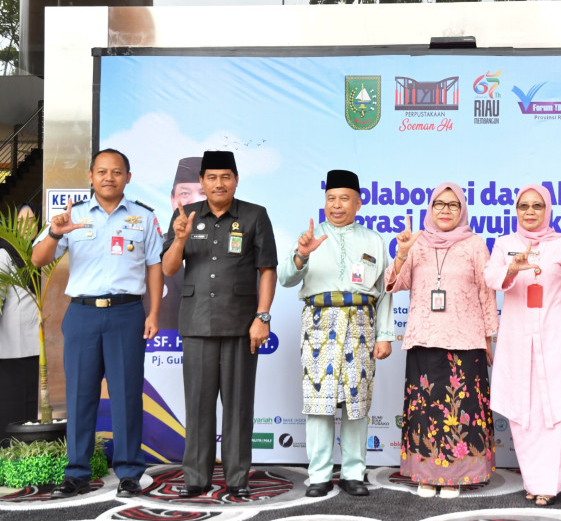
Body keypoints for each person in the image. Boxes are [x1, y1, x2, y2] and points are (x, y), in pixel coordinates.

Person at [31, 149, 163, 498]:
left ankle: (130, 472)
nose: (109, 177)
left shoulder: (144, 218)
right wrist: (55, 234)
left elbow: (154, 267)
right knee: (80, 395)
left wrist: (153, 314)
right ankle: (76, 473)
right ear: (90, 176)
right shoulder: (70, 216)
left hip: (126, 313)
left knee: (126, 395)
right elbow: (37, 259)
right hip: (83, 314)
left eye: (116, 172)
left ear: (128, 177)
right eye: (101, 171)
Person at [161, 150, 277, 498]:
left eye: (226, 176)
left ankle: (238, 479)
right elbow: (168, 269)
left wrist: (262, 316)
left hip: (243, 326)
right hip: (196, 324)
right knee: (197, 405)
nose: (218, 183)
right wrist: (180, 238)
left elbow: (267, 270)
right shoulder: (185, 217)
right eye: (211, 177)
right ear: (202, 182)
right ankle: (196, 478)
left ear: (236, 180)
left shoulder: (255, 216)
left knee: (239, 406)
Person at [277, 169, 393, 498]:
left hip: (361, 324)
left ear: (358, 203)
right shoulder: (309, 237)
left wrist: (385, 334)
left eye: (344, 199)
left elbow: (385, 292)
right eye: (330, 199)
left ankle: (354, 473)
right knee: (319, 404)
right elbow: (285, 278)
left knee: (356, 405)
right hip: (319, 325)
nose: (336, 205)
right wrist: (302, 253)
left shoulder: (373, 240)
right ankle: (319, 475)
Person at [386, 182, 497, 499]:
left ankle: (458, 476)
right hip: (424, 338)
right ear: (430, 209)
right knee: (426, 411)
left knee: (461, 410)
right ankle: (425, 475)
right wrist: (401, 254)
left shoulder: (475, 244)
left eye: (453, 205)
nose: (445, 210)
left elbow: (486, 293)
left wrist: (489, 337)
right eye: (439, 204)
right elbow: (394, 283)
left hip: (466, 339)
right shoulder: (416, 243)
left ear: (462, 210)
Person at [485, 184, 561, 507]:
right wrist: (511, 269)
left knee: (555, 411)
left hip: (557, 337)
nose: (530, 212)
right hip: (518, 340)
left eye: (537, 206)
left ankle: (550, 484)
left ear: (548, 210)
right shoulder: (505, 244)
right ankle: (533, 481)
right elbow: (490, 279)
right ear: (516, 211)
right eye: (523, 206)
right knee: (522, 411)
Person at [144, 157, 205, 331]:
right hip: (160, 348)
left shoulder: (234, 245)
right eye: (185, 193)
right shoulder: (151, 248)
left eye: (203, 193)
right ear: (172, 200)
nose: (195, 201)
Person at [0, 204, 40, 442]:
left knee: (33, 402)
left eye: (32, 222)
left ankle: (33, 448)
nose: (26, 227)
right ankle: (7, 450)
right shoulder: (4, 254)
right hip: (11, 345)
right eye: (22, 222)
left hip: (39, 344)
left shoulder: (44, 254)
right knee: (10, 401)